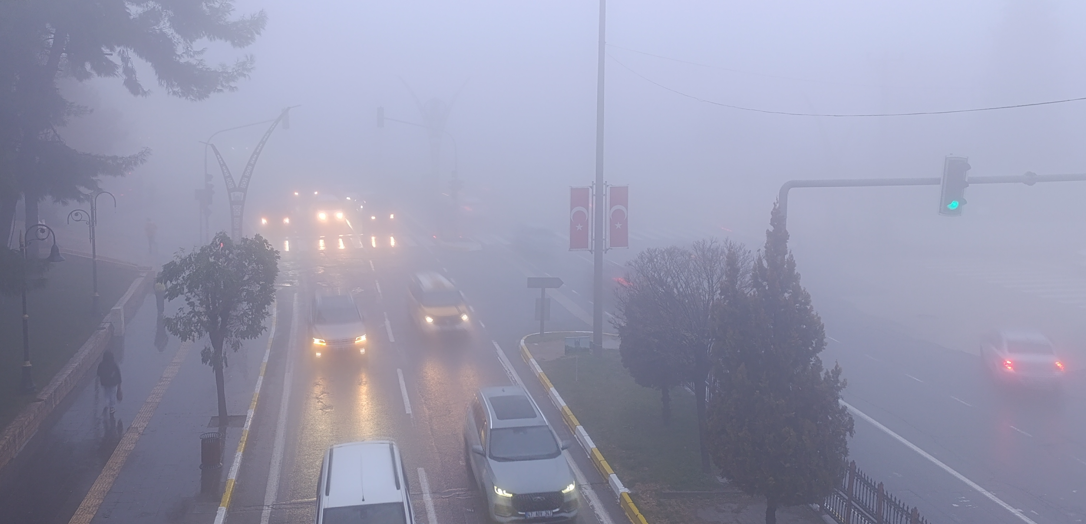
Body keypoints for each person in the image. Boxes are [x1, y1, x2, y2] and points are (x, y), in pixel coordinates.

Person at [97, 350, 122, 415]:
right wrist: (119, 384)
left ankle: (106, 404)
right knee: (112, 394)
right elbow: (118, 374)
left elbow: (98, 373)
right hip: (113, 383)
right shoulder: (114, 365)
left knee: (106, 394)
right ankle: (112, 407)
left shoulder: (101, 364)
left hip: (104, 382)